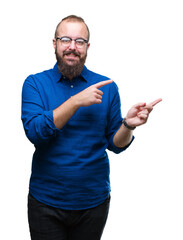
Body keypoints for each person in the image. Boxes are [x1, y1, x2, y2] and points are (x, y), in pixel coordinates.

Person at [21, 15, 162, 240]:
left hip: (93, 203)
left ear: (87, 47)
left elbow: (115, 145)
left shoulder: (107, 87)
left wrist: (128, 125)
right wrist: (76, 101)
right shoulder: (35, 84)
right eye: (65, 39)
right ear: (54, 43)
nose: (72, 47)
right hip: (45, 203)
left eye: (80, 41)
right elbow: (36, 133)